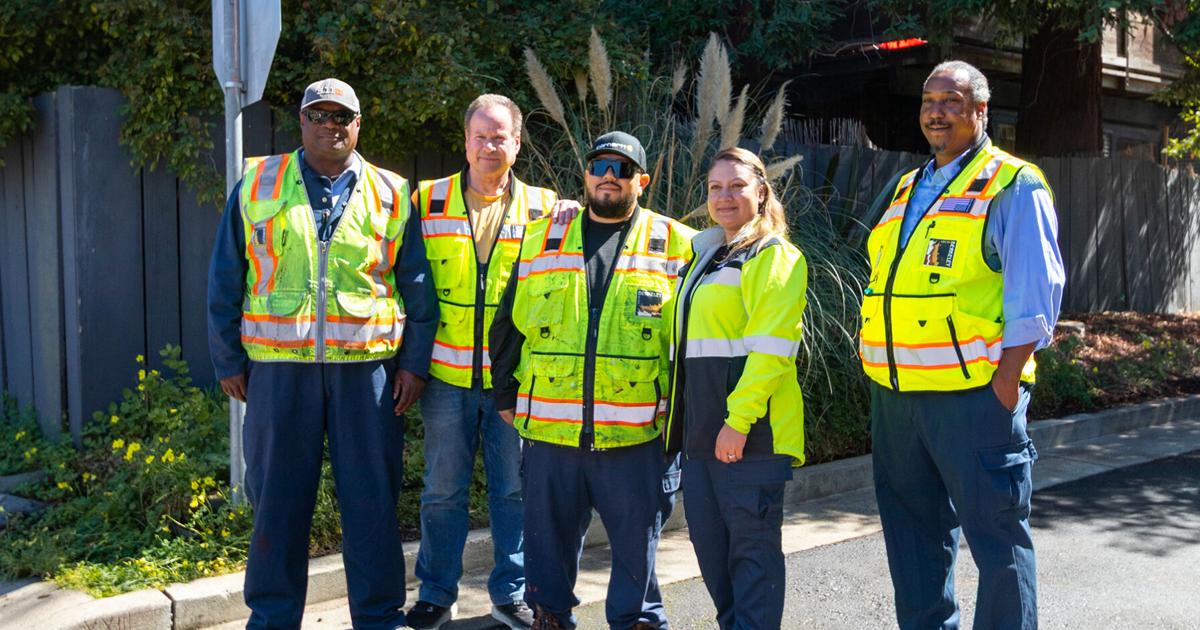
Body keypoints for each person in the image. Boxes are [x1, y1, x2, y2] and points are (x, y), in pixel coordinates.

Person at [207, 78, 437, 630]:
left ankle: (379, 617)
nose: (331, 125)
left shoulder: (390, 191)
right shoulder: (259, 182)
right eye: (320, 115)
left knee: (373, 504)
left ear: (357, 125)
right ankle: (272, 618)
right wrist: (228, 361)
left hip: (369, 377)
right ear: (302, 122)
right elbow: (224, 279)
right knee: (278, 506)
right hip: (279, 376)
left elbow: (419, 286)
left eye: (343, 116)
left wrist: (413, 364)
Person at [860, 60, 1065, 630]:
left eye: (951, 100)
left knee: (998, 545)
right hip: (898, 399)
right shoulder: (907, 185)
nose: (936, 111)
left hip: (975, 398)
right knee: (913, 543)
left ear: (981, 111)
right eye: (929, 100)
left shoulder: (1013, 183)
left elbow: (1037, 297)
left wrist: (1004, 385)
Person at [490, 131, 696, 630]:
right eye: (599, 165)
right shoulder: (542, 238)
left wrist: (684, 419)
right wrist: (504, 396)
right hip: (550, 429)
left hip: (637, 432)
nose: (609, 175)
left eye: (622, 169)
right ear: (585, 174)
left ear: (641, 181)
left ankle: (637, 620)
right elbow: (506, 326)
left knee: (635, 544)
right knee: (547, 539)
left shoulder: (679, 244)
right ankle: (551, 614)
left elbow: (694, 342)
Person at [407, 94, 556, 630]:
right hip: (446, 377)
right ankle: (436, 594)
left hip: (515, 384)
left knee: (514, 491)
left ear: (517, 144)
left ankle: (510, 594)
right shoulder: (427, 201)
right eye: (480, 135)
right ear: (465, 141)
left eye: (500, 137)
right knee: (442, 491)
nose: (489, 146)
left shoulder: (548, 208)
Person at [662, 147, 807, 629]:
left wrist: (737, 422)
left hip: (751, 439)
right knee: (716, 563)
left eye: (737, 186)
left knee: (752, 563)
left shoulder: (774, 255)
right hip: (702, 438)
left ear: (762, 192)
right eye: (714, 187)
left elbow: (770, 351)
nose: (724, 196)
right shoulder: (706, 256)